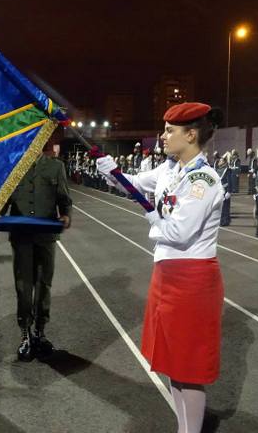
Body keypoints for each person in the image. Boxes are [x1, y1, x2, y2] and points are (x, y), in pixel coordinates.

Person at [97, 102, 224, 433]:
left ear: (191, 134)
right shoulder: (170, 170)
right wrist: (111, 171)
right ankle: (183, 426)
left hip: (192, 280)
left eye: (170, 131)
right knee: (172, 362)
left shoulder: (204, 180)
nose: (162, 136)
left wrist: (151, 215)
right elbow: (134, 184)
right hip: (167, 274)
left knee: (189, 368)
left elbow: (179, 233)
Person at [1, 143, 72, 361]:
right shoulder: (12, 167)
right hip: (21, 237)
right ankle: (25, 333)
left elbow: (64, 199)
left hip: (46, 237)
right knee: (23, 287)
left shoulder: (55, 167)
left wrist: (66, 215)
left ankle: (40, 331)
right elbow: (2, 202)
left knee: (44, 285)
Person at [216, 151, 233, 226]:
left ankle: (225, 220)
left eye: (221, 160)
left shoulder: (227, 170)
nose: (219, 161)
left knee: (225, 207)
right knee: (220, 207)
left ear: (224, 162)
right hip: (219, 190)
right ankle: (222, 219)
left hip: (225, 190)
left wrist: (229, 191)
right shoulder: (218, 169)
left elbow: (230, 181)